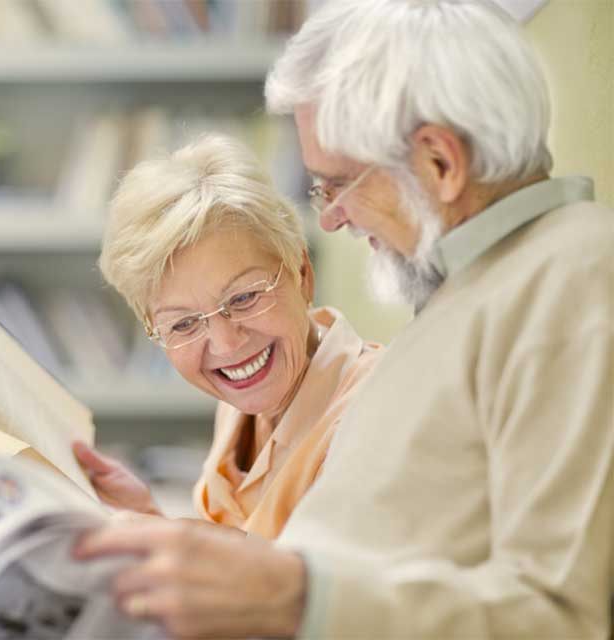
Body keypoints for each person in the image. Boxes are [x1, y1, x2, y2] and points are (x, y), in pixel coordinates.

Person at [74, 1, 614, 638]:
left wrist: (296, 597)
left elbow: (564, 617)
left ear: (440, 163)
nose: (331, 219)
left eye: (339, 185)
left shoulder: (575, 278)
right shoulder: (474, 293)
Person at [72, 133, 382, 540]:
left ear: (302, 273)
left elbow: (316, 594)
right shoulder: (243, 405)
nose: (226, 343)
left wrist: (170, 544)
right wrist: (147, 516)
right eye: (183, 324)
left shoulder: (376, 415)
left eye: (245, 297)